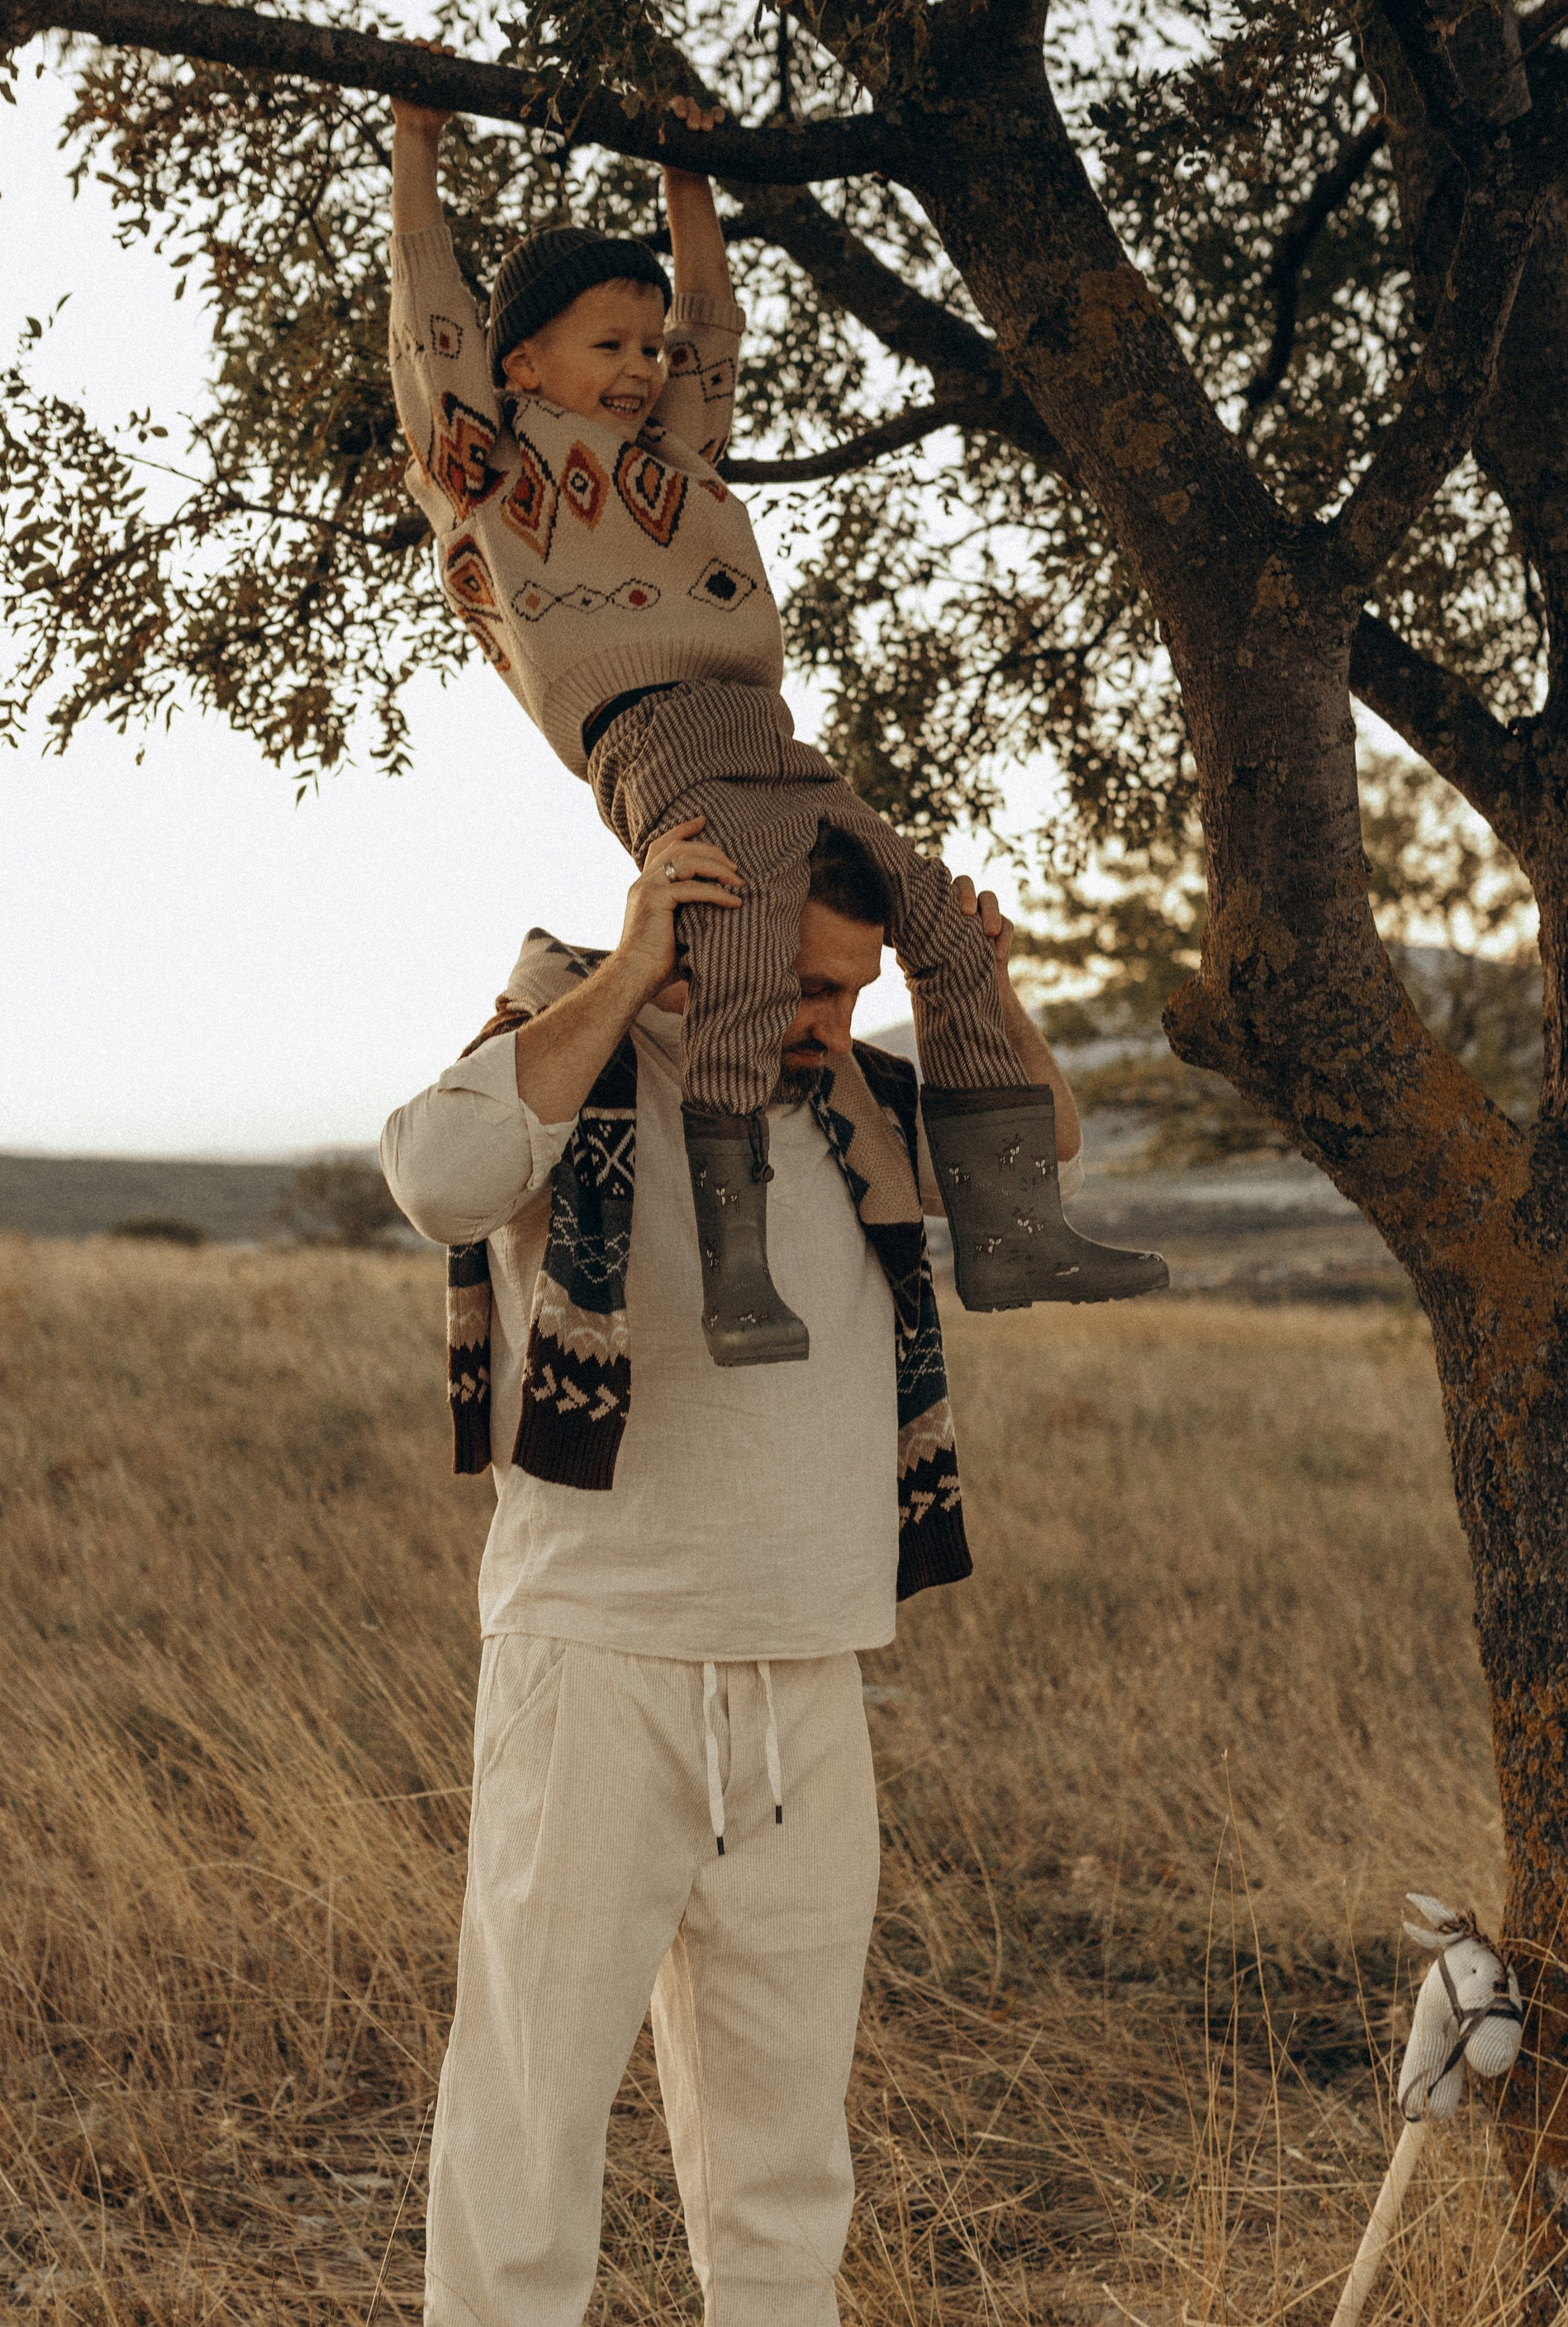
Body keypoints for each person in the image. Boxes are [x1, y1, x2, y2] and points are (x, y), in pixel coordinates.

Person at [378, 824, 1090, 2327]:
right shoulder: (571, 1063)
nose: (825, 1021)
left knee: (782, 2127)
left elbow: (1039, 1156)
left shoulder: (864, 1114)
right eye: (805, 985)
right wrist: (629, 970)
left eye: (853, 988)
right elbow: (438, 1174)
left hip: (805, 1671)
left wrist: (965, 977)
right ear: (717, 949)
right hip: (596, 1667)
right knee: (530, 2111)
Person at [385, 89, 1165, 1368]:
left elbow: (714, 331)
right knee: (743, 951)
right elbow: (430, 323)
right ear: (520, 362)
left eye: (647, 349)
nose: (642, 370)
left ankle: (1017, 1226)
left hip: (768, 726)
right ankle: (738, 1271)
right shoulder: (487, 463)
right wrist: (417, 150)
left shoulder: (676, 461)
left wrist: (691, 182)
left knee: (932, 920)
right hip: (655, 737)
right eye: (607, 347)